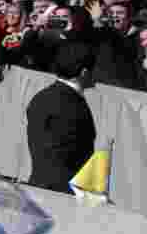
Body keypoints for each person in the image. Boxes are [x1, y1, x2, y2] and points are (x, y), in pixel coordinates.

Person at [25, 41, 97, 195]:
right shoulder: (75, 106)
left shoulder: (41, 97)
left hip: (37, 184)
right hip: (64, 195)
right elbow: (75, 157)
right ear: (84, 73)